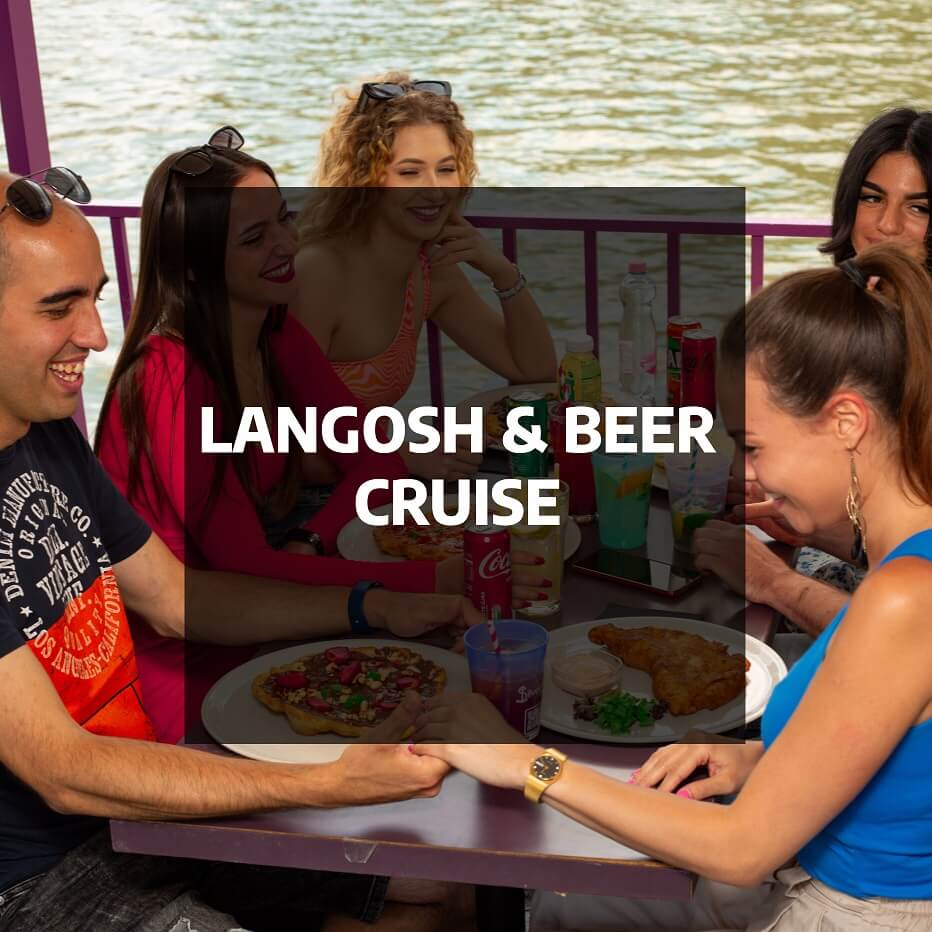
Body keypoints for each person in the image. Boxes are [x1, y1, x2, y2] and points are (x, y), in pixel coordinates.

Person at [0, 170, 468, 932]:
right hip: (39, 875)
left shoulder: (46, 436)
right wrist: (327, 782)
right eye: (59, 307)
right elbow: (64, 772)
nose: (95, 335)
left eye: (96, 298)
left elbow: (176, 597)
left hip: (137, 809)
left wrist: (372, 606)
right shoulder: (159, 378)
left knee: (441, 888)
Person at [413, 244, 932, 930]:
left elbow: (741, 850)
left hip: (852, 910)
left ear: (845, 422)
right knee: (569, 908)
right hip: (815, 867)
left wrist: (527, 765)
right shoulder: (905, 568)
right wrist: (762, 761)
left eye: (752, 445)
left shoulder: (906, 596)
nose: (744, 472)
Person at [94, 130, 527, 743]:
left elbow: (376, 458)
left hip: (278, 604)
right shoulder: (169, 382)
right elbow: (240, 566)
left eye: (284, 219)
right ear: (193, 266)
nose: (286, 244)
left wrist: (311, 538)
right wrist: (432, 581)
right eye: (254, 238)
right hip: (187, 669)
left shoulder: (274, 329)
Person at [696, 107, 931, 637]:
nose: (887, 225)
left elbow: (911, 633)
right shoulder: (860, 317)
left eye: (919, 207)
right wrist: (811, 520)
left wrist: (775, 582)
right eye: (872, 198)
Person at [294, 73, 558, 480]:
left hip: (374, 479)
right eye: (410, 173)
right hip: (306, 501)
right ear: (366, 179)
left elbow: (534, 372)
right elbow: (282, 443)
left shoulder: (430, 271)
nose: (435, 191)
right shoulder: (318, 273)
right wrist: (408, 458)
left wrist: (501, 271)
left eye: (446, 169)